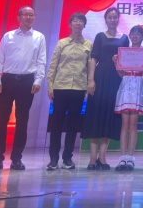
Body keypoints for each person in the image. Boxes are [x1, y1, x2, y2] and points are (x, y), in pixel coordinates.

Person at [0, 6, 47, 171]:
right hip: (8, 80)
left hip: (27, 81)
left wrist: (38, 80)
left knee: (22, 121)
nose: (28, 17)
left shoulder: (39, 37)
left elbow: (41, 61)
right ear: (18, 17)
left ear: (34, 18)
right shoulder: (8, 36)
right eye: (25, 14)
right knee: (1, 120)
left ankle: (17, 158)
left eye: (31, 15)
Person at [81, 7, 129, 170]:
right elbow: (93, 59)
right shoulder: (100, 36)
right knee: (96, 115)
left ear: (118, 19)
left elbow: (127, 61)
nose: (113, 20)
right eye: (110, 17)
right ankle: (92, 158)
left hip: (116, 79)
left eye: (115, 17)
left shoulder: (124, 38)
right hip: (99, 77)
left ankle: (102, 157)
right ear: (106, 19)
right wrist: (91, 80)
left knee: (109, 116)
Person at [46, 12, 92, 171]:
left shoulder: (88, 45)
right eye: (75, 21)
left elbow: (90, 68)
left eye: (81, 21)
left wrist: (89, 84)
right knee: (56, 124)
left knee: (73, 125)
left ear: (84, 25)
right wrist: (50, 85)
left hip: (79, 88)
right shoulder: (62, 43)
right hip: (60, 87)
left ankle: (67, 158)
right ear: (70, 24)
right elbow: (53, 65)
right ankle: (53, 158)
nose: (78, 23)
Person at [113, 25, 143, 171]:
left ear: (142, 37)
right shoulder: (124, 53)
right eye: (133, 33)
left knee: (133, 124)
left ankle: (130, 158)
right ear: (129, 35)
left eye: (138, 34)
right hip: (126, 85)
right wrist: (115, 62)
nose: (135, 36)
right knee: (124, 124)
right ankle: (123, 158)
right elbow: (121, 74)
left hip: (137, 85)